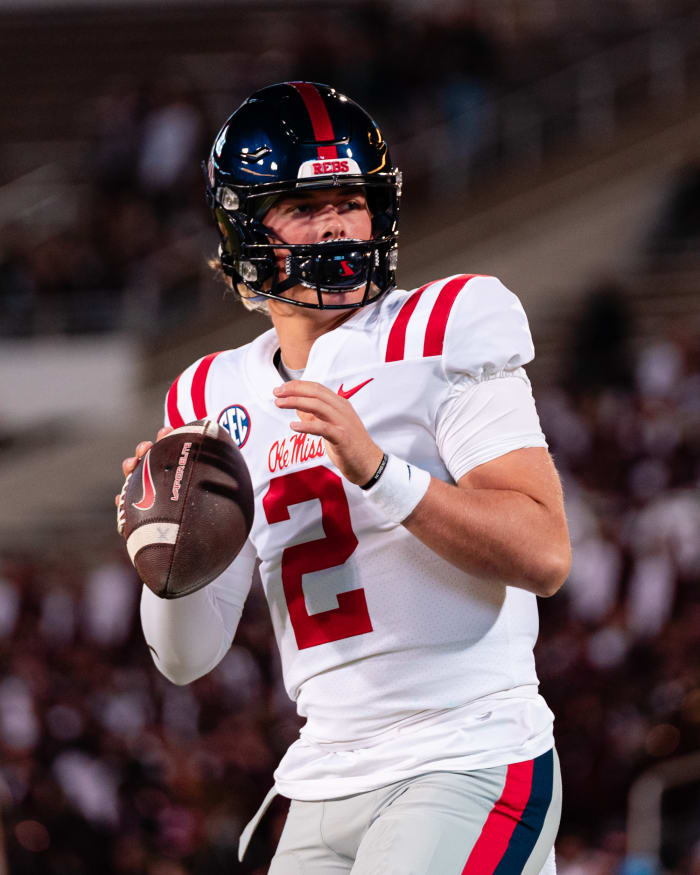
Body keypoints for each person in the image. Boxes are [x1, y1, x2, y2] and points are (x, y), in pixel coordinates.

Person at [119, 82, 571, 874]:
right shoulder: (207, 394)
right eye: (304, 204)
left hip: (466, 749)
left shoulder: (443, 325)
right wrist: (164, 553)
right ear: (244, 224)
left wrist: (377, 470)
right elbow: (187, 660)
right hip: (321, 773)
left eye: (351, 198)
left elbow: (544, 553)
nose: (335, 222)